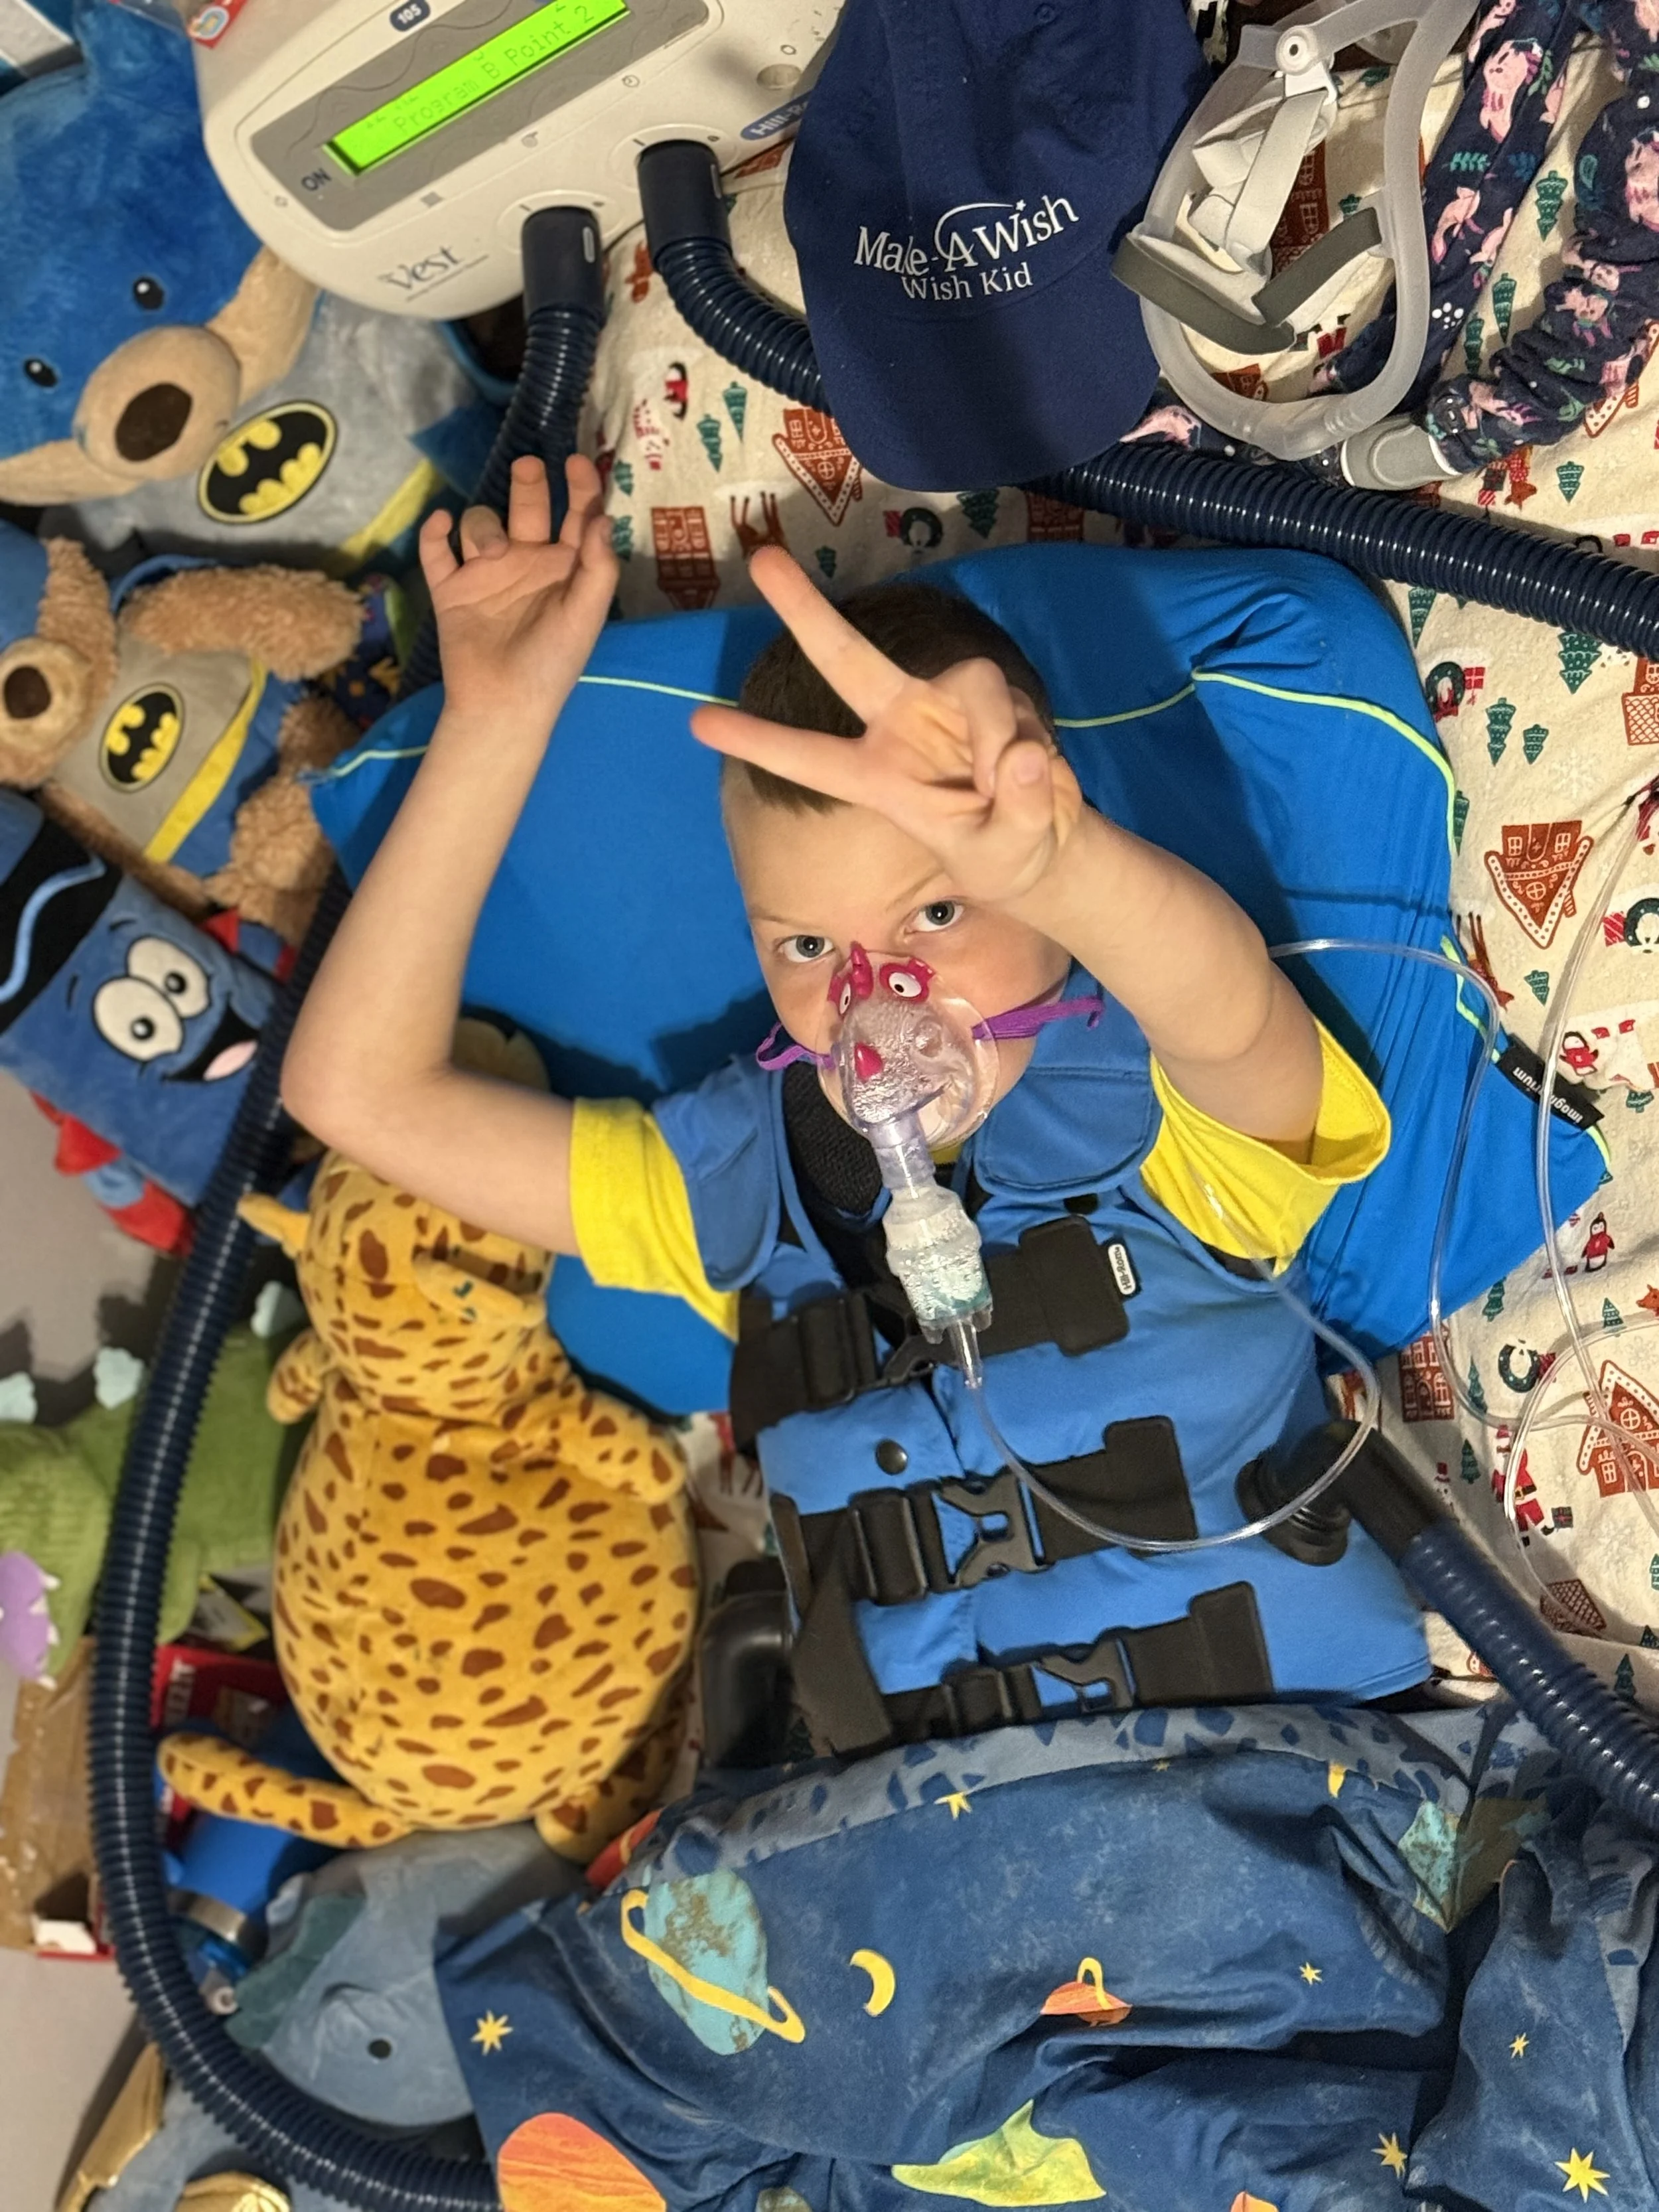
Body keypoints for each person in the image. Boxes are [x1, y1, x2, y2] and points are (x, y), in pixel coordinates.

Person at [285, 455, 1429, 1754]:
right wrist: (496, 717)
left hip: (1291, 1803)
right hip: (923, 1876)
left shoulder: (1182, 1121)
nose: (876, 997)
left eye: (936, 913)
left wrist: (1062, 862)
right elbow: (355, 1092)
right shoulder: (732, 1183)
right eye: (807, 948)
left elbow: (1223, 1006)